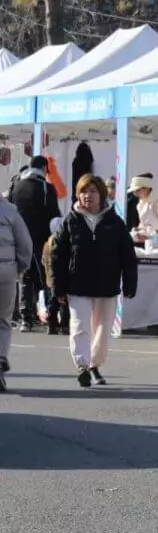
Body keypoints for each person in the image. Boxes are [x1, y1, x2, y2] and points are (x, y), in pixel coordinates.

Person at [50, 174, 137, 388]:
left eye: (93, 191)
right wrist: (57, 287)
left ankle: (94, 365)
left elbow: (127, 254)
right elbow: (56, 256)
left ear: (101, 194)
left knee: (102, 329)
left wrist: (129, 283)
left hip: (107, 285)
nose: (88, 196)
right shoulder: (70, 221)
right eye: (83, 191)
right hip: (77, 285)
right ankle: (82, 365)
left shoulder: (114, 221)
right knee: (80, 326)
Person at [10, 155, 60, 332]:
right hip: (41, 239)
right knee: (48, 277)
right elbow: (55, 218)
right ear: (45, 168)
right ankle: (51, 318)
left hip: (19, 238)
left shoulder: (16, 186)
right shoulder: (47, 188)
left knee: (25, 277)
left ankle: (26, 319)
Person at [0, 190, 32, 390]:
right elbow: (25, 246)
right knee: (3, 321)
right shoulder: (11, 211)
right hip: (6, 271)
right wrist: (18, 268)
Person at [128, 175, 158, 239]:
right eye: (134, 192)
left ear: (146, 188)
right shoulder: (140, 205)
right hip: (150, 245)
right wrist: (138, 229)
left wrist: (150, 237)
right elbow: (146, 226)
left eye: (137, 190)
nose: (135, 194)